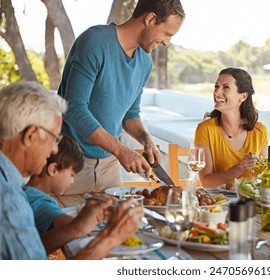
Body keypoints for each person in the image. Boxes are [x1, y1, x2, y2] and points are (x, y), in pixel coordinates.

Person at [0, 81, 143, 260]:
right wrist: (111, 238)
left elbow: (28, 252)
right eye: (54, 138)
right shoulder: (7, 199)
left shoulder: (10, 183)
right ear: (31, 136)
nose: (54, 150)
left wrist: (76, 228)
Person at [57, 0, 185, 194]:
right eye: (167, 34)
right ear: (151, 19)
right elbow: (73, 109)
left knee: (118, 222)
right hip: (71, 163)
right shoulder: (94, 41)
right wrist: (121, 150)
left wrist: (146, 140)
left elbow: (130, 114)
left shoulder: (144, 62)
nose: (166, 43)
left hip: (109, 165)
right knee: (67, 222)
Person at [194, 68, 268, 189]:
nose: (217, 92)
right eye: (216, 86)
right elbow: (206, 182)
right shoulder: (205, 129)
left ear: (243, 96)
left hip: (251, 201)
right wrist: (239, 168)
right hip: (219, 203)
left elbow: (263, 176)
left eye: (226, 87)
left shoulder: (260, 131)